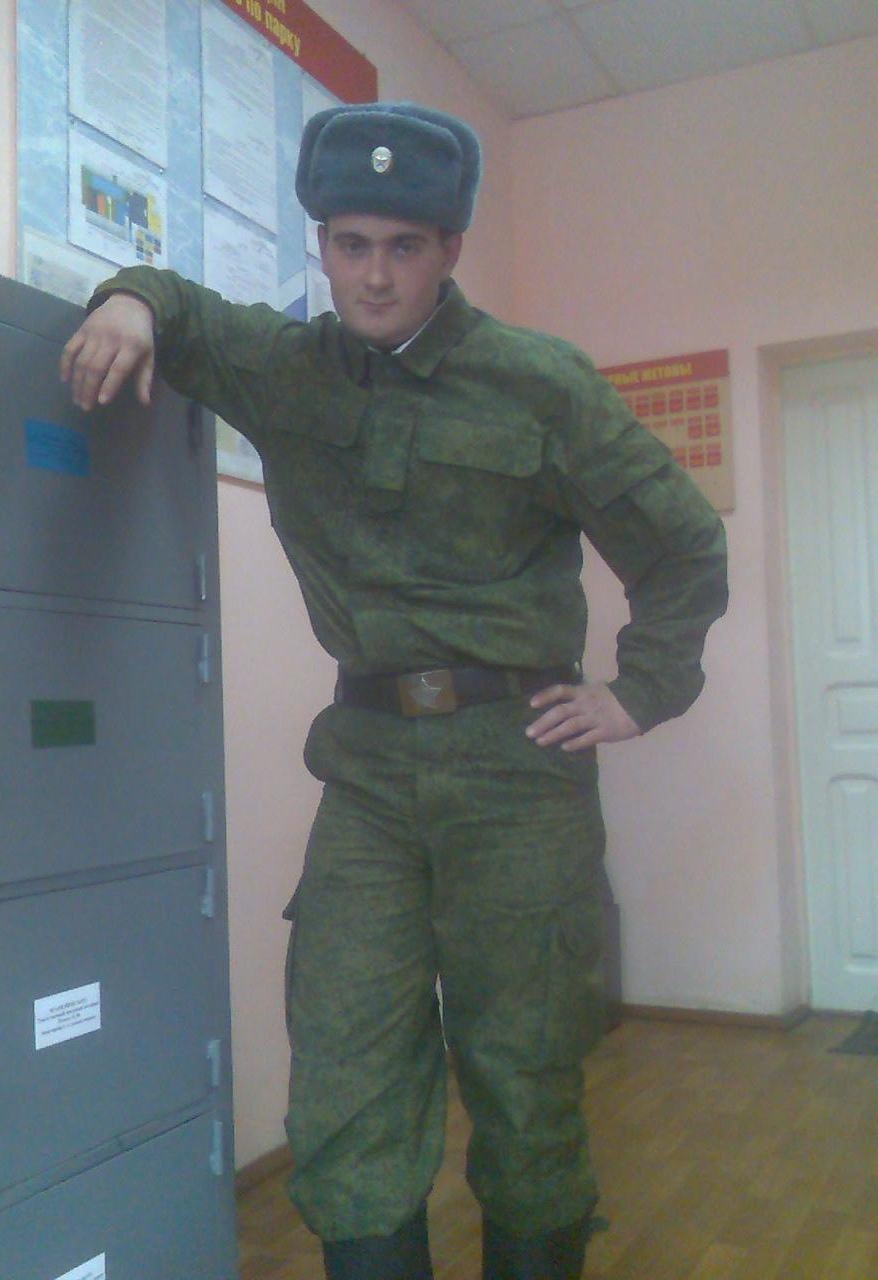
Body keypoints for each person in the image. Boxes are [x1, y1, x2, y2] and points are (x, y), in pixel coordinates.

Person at [61, 102, 728, 1280]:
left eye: (405, 245)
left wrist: (641, 691)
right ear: (320, 244)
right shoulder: (287, 368)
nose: (375, 275)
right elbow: (183, 308)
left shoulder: (540, 383)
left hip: (516, 768)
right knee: (345, 1066)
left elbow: (681, 544)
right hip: (367, 769)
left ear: (449, 248)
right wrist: (127, 298)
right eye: (352, 243)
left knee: (524, 1068)